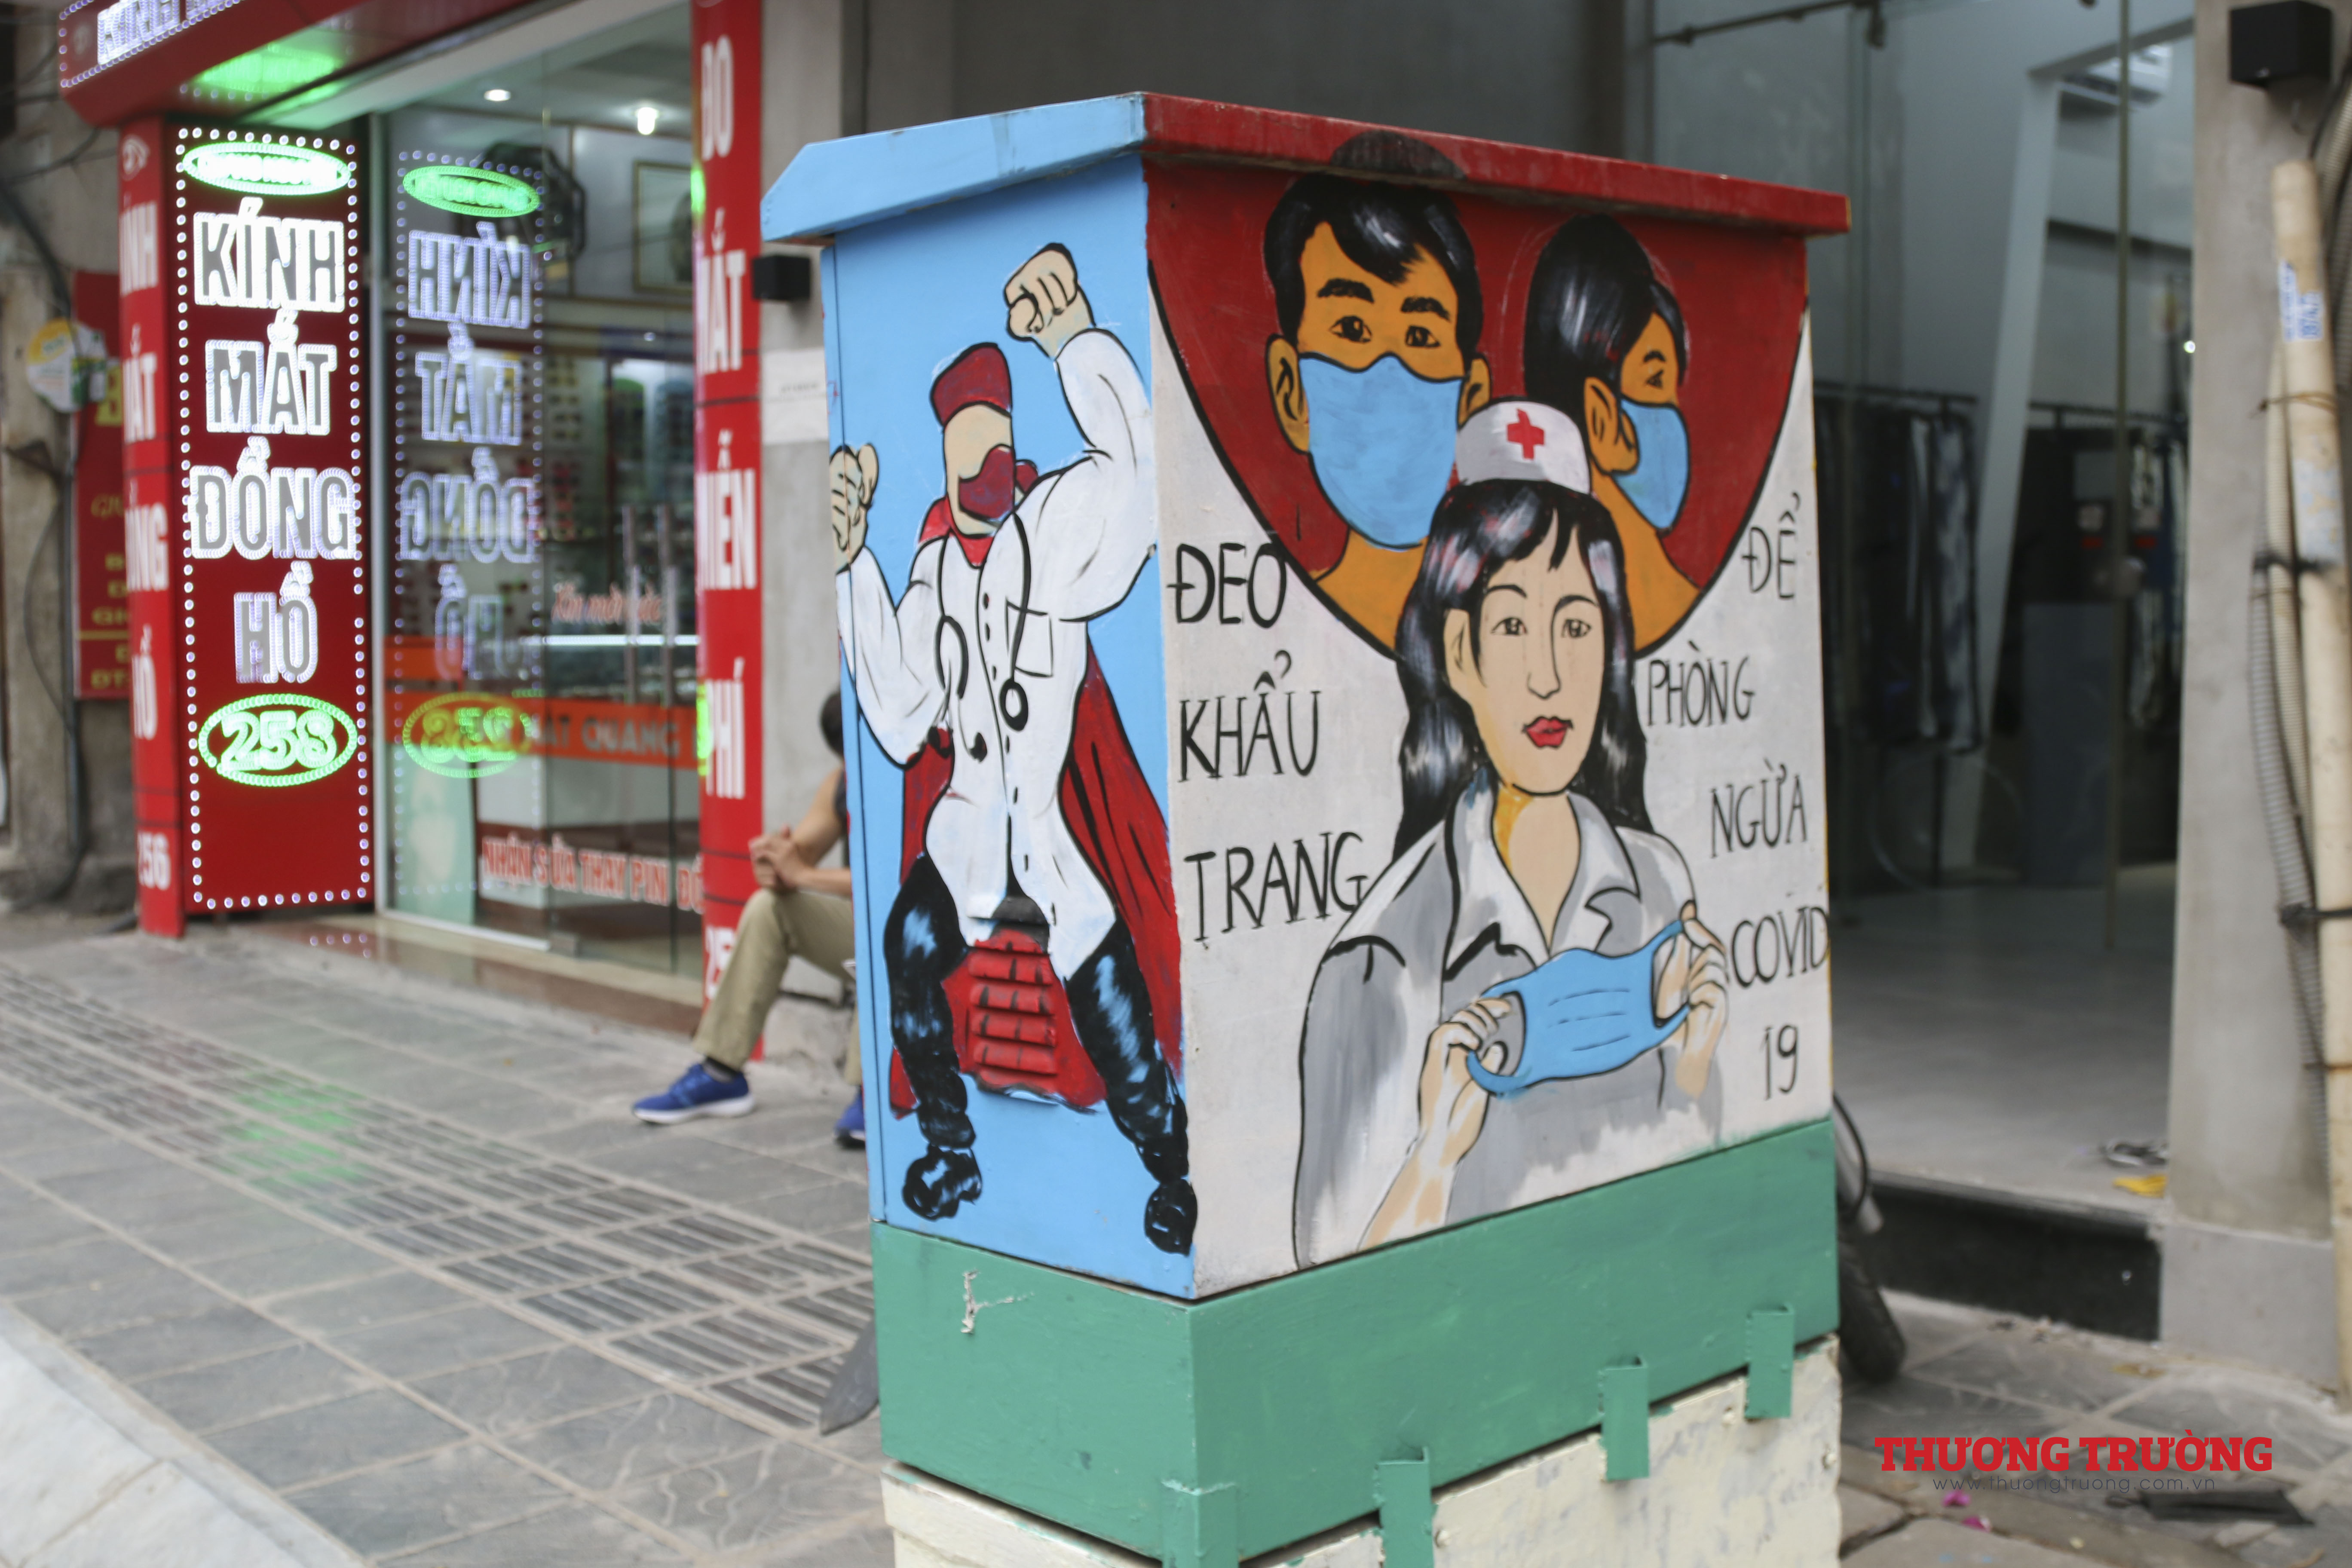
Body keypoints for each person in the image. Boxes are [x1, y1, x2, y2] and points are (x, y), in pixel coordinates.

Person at [832, 244, 1195, 1255]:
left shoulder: (1052, 530)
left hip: (1045, 835)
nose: (983, 467)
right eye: (966, 449)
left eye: (994, 442)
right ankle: (951, 1146)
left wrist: (1073, 338)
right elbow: (899, 714)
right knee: (910, 954)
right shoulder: (934, 568)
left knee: (1111, 1008)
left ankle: (1169, 1166)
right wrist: (854, 562)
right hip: (967, 837)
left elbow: (1138, 488)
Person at [1291, 474, 1730, 1268]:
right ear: (1461, 653)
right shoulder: (1380, 960)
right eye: (1514, 625)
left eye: (1575, 627)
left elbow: (1692, 1199)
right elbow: (1328, 1291)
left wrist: (1693, 1063)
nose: (1548, 675)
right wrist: (1434, 1159)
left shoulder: (1660, 887)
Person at [1261, 131, 1493, 648]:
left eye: (1421, 337)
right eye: (1351, 329)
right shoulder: (1279, 642)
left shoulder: (1516, 653)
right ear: (1291, 391)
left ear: (1471, 402)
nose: (1390, 377)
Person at [633, 693, 862, 1136]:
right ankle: (721, 1073)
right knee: (769, 908)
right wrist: (777, 863)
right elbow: (800, 855)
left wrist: (804, 875)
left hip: (931, 938)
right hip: (860, 933)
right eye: (847, 755)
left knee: (883, 924)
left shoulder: (921, 777)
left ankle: (877, 1094)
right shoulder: (843, 782)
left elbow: (902, 881)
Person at [1522, 214, 1701, 648]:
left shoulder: (1527, 626)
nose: (1676, 418)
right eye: (1656, 383)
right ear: (1600, 416)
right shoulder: (1701, 619)